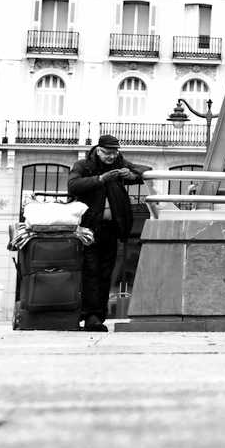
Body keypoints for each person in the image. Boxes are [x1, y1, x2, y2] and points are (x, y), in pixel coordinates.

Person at [67, 134, 151, 331]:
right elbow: (73, 185)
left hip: (110, 230)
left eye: (115, 153)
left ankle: (98, 317)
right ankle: (90, 316)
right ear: (98, 150)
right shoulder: (83, 165)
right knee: (90, 274)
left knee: (105, 274)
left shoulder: (119, 162)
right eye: (108, 153)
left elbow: (146, 170)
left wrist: (133, 176)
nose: (112, 157)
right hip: (88, 230)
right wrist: (101, 179)